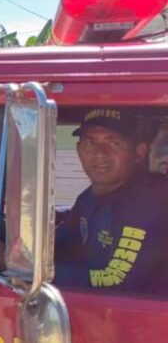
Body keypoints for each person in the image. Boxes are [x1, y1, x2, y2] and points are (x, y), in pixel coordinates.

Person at [55, 108, 168, 294]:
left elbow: (116, 279)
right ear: (79, 150)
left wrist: (35, 274)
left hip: (140, 317)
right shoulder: (88, 198)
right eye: (90, 143)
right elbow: (62, 241)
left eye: (113, 143)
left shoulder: (149, 202)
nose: (100, 154)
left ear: (139, 153)